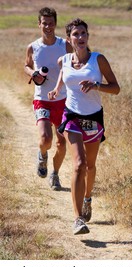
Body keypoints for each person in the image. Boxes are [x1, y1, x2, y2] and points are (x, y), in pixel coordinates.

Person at [48, 18, 120, 234]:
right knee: (79, 164)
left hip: (94, 117)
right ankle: (78, 218)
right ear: (69, 39)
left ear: (87, 36)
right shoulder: (65, 60)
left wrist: (97, 85)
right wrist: (56, 89)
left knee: (90, 165)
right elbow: (63, 74)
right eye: (76, 34)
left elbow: (116, 88)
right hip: (71, 116)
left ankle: (88, 198)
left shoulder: (99, 60)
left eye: (83, 33)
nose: (80, 37)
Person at [24, 7, 72, 191]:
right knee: (45, 139)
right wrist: (33, 73)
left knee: (61, 143)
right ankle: (42, 155)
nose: (48, 26)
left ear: (55, 24)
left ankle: (55, 174)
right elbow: (26, 65)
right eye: (44, 23)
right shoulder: (33, 47)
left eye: (51, 23)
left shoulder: (64, 45)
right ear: (39, 24)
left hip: (63, 101)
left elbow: (76, 61)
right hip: (42, 99)